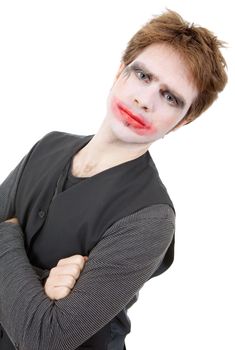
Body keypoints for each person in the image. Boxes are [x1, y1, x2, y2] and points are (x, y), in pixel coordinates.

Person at [0, 9, 227, 350]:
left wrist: (5, 232)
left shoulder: (151, 218)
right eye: (143, 76)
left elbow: (43, 339)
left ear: (183, 121)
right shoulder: (47, 145)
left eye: (170, 97)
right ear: (121, 71)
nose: (144, 100)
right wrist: (43, 284)